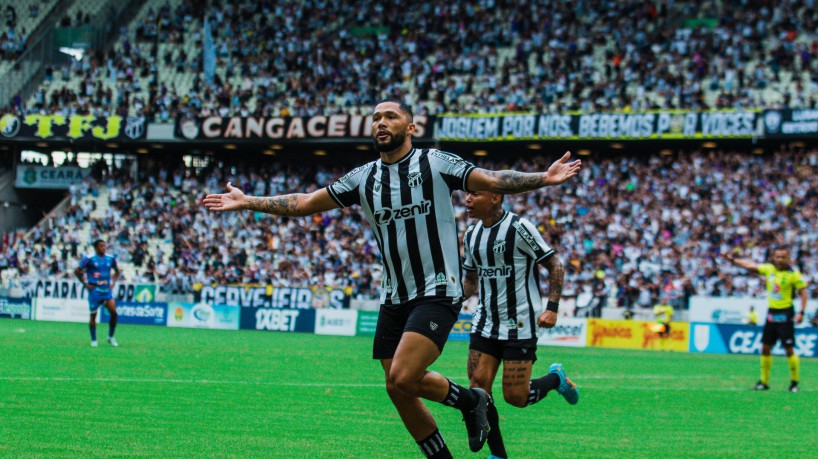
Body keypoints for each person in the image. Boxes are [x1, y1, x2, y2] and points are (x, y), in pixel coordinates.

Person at [202, 99, 582, 457]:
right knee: (397, 389)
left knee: (403, 375)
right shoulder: (362, 177)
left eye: (390, 116)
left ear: (411, 126)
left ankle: (471, 401)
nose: (381, 122)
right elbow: (304, 203)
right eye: (376, 118)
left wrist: (542, 179)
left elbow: (492, 179)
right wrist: (249, 201)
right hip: (394, 296)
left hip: (436, 290)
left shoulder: (435, 163)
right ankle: (462, 418)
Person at [461, 190, 579, 459]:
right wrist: (450, 300)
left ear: (495, 197)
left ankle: (556, 379)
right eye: (466, 193)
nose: (467, 199)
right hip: (485, 322)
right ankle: (498, 455)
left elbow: (555, 264)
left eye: (475, 194)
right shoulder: (471, 235)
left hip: (520, 324)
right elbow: (471, 280)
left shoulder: (519, 227)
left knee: (516, 397)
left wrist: (552, 307)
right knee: (478, 389)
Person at [724, 248, 808, 393]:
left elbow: (803, 292)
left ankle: (794, 383)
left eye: (782, 257)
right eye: (777, 256)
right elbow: (750, 266)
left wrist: (801, 312)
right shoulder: (769, 269)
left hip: (786, 314)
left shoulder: (793, 275)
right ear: (773, 258)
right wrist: (732, 260)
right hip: (772, 314)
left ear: (788, 259)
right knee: (765, 347)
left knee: (788, 349)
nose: (779, 259)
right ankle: (764, 382)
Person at [74, 239, 120, 347]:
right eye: (101, 246)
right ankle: (94, 340)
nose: (103, 248)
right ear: (96, 248)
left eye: (104, 246)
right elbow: (77, 271)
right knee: (93, 316)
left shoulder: (110, 258)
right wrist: (85, 284)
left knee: (114, 313)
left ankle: (110, 337)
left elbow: (117, 271)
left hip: (106, 291)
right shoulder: (89, 259)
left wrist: (113, 283)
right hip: (94, 291)